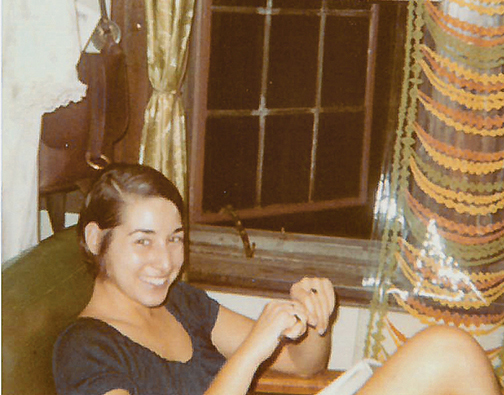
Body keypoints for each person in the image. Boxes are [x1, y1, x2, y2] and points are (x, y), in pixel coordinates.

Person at [53, 163, 501, 395]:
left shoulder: (182, 304)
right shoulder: (84, 349)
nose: (165, 260)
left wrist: (312, 323)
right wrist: (250, 351)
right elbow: (252, 357)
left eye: (175, 239)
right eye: (143, 241)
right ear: (97, 239)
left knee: (449, 348)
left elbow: (304, 366)